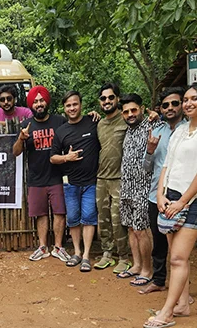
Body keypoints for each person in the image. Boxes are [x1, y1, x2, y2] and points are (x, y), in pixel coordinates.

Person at [144, 83, 197, 328]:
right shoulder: (180, 131)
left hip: (195, 200)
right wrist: (160, 195)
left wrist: (182, 202)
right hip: (170, 197)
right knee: (177, 256)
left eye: (194, 99)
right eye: (186, 99)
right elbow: (166, 166)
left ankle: (167, 313)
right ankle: (182, 304)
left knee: (178, 257)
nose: (188, 103)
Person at [13, 85, 69, 262]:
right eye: (35, 101)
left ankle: (58, 247)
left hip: (57, 176)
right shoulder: (25, 126)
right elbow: (15, 152)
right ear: (31, 104)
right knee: (41, 214)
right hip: (36, 178)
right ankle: (43, 247)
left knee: (59, 212)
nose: (39, 104)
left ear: (47, 102)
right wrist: (21, 139)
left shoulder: (60, 121)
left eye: (41, 100)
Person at [140, 87, 186, 295]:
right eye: (166, 105)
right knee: (159, 243)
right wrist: (150, 151)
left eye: (175, 103)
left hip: (182, 197)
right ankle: (159, 280)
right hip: (156, 195)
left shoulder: (191, 131)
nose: (170, 108)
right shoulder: (157, 131)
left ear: (182, 105)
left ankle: (182, 291)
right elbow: (146, 167)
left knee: (180, 248)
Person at [50, 91, 100, 272]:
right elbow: (53, 158)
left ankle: (86, 255)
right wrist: (67, 157)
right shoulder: (61, 131)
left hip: (91, 182)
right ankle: (77, 252)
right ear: (64, 108)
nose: (72, 108)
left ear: (81, 105)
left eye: (75, 104)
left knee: (89, 218)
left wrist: (96, 114)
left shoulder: (93, 122)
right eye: (68, 105)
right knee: (73, 219)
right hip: (70, 183)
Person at [118, 93, 162, 286]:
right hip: (126, 187)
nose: (130, 114)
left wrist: (157, 115)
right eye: (126, 111)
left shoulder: (152, 126)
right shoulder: (128, 130)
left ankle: (147, 269)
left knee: (141, 230)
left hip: (144, 188)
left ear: (142, 109)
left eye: (134, 110)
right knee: (130, 228)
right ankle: (136, 265)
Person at [94, 83, 130, 274]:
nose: (107, 101)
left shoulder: (125, 119)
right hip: (101, 178)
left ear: (117, 99)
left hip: (119, 179)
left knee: (118, 220)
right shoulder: (99, 124)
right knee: (104, 220)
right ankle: (107, 253)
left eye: (110, 97)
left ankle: (124, 257)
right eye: (103, 98)